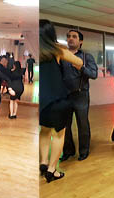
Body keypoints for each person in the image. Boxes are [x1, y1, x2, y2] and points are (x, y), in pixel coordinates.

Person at [38, 19, 83, 183]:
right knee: (58, 135)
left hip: (42, 102)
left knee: (44, 131)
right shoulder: (56, 50)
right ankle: (52, 170)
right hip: (57, 99)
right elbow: (79, 62)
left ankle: (43, 163)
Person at [60, 29, 98, 162]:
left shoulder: (87, 57)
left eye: (74, 37)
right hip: (65, 95)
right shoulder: (62, 57)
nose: (71, 39)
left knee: (82, 124)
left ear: (80, 41)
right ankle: (68, 151)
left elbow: (94, 74)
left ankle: (84, 151)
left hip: (81, 95)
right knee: (65, 125)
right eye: (69, 36)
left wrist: (81, 67)